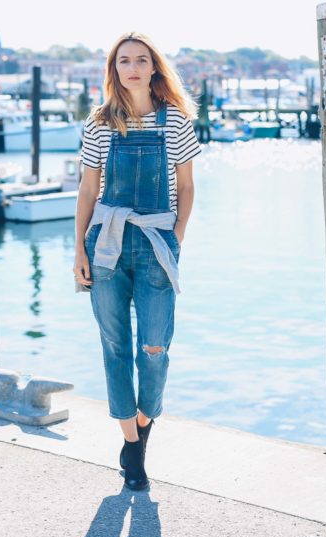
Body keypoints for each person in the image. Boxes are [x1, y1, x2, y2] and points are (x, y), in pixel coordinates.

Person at [73, 31, 201, 491]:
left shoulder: (177, 123)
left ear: (153, 68)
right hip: (105, 243)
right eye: (123, 60)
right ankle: (132, 444)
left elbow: (186, 187)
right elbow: (88, 190)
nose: (132, 67)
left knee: (155, 348)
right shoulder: (99, 123)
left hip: (157, 243)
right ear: (115, 70)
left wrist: (176, 237)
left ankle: (144, 424)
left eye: (140, 59)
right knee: (113, 347)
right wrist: (78, 251)